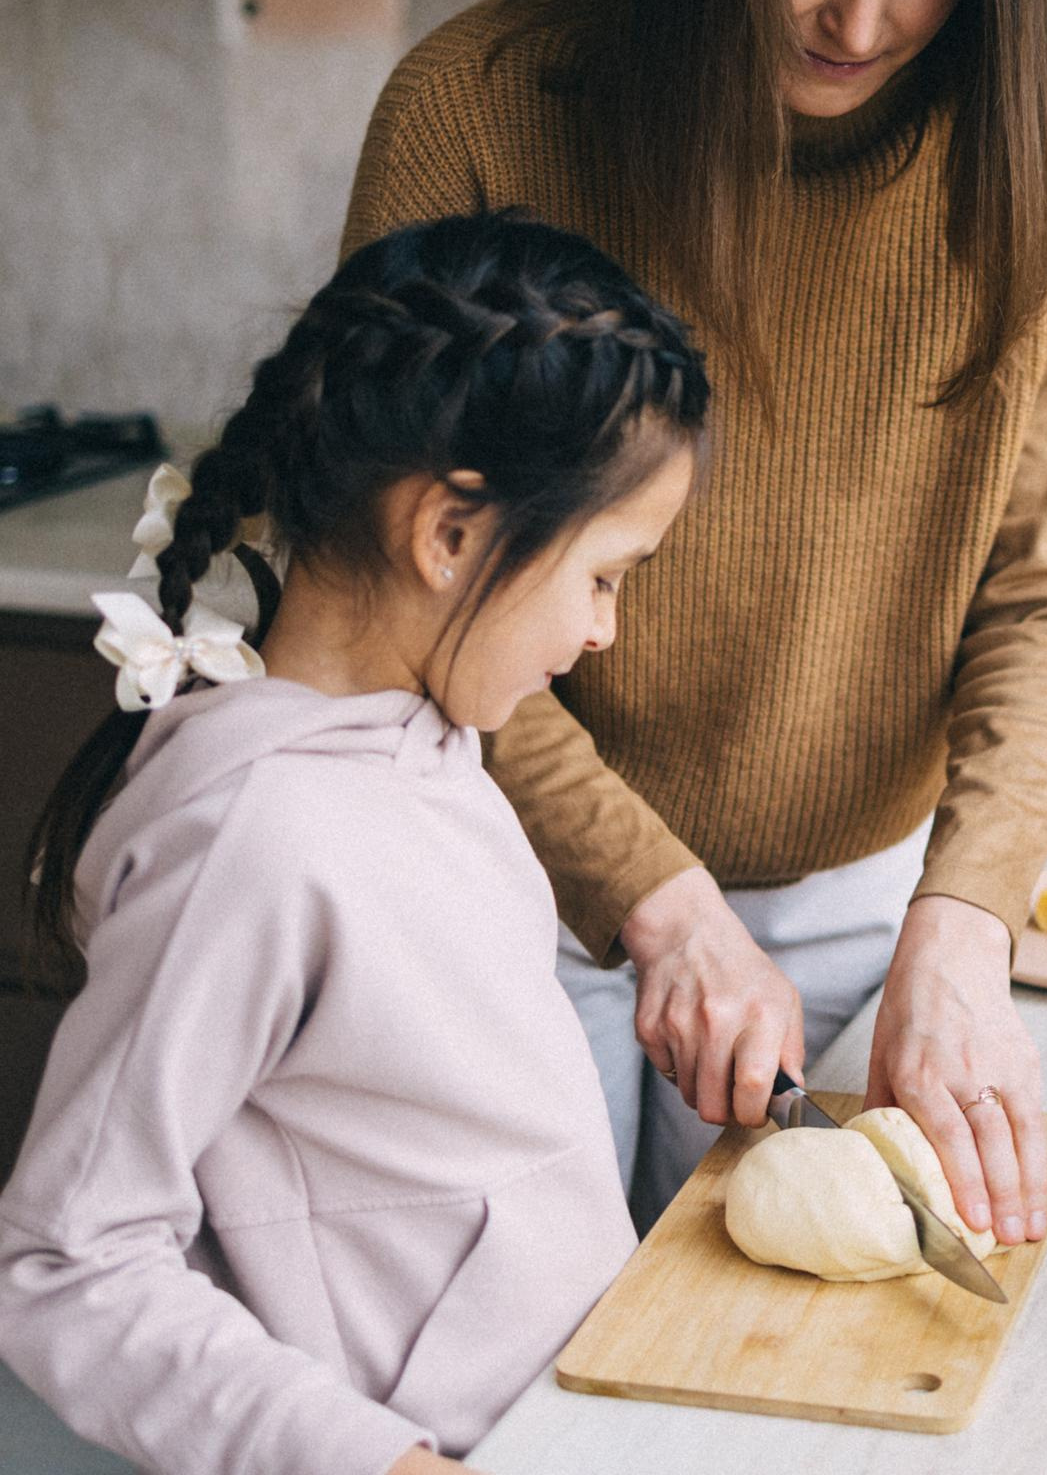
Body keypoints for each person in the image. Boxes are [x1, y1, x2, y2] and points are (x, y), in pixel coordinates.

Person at [342, 0, 1047, 1240]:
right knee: (533, 1386)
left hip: (871, 903)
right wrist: (653, 894)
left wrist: (964, 928)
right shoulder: (484, 112)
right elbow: (404, 588)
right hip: (508, 883)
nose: (863, 20)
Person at [0, 214, 710, 1474]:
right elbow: (65, 1259)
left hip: (560, 1419)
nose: (606, 631)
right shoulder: (252, 843)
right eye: (604, 576)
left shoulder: (427, 739)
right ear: (447, 534)